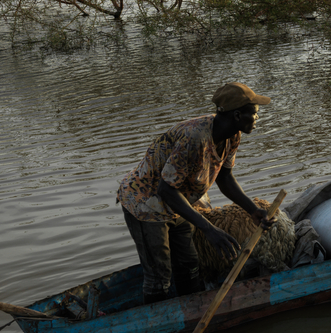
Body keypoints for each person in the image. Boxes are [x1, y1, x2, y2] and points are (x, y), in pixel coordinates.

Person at [117, 82, 274, 305]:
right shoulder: (195, 139)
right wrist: (209, 229)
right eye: (254, 114)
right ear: (237, 115)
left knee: (190, 264)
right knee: (159, 275)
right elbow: (165, 190)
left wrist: (252, 210)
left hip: (178, 200)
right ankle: (160, 326)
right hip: (146, 204)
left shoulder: (232, 135)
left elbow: (225, 178)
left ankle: (192, 310)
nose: (257, 119)